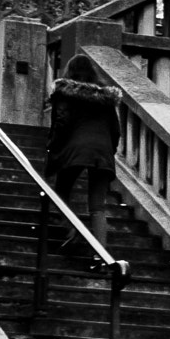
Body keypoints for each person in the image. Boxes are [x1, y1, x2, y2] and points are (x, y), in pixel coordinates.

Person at [45, 53, 121, 245]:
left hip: (75, 150)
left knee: (61, 191)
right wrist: (108, 152)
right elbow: (115, 130)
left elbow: (61, 123)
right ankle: (102, 255)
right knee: (97, 206)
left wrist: (52, 148)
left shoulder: (65, 94)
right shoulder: (105, 99)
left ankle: (72, 229)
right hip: (102, 152)